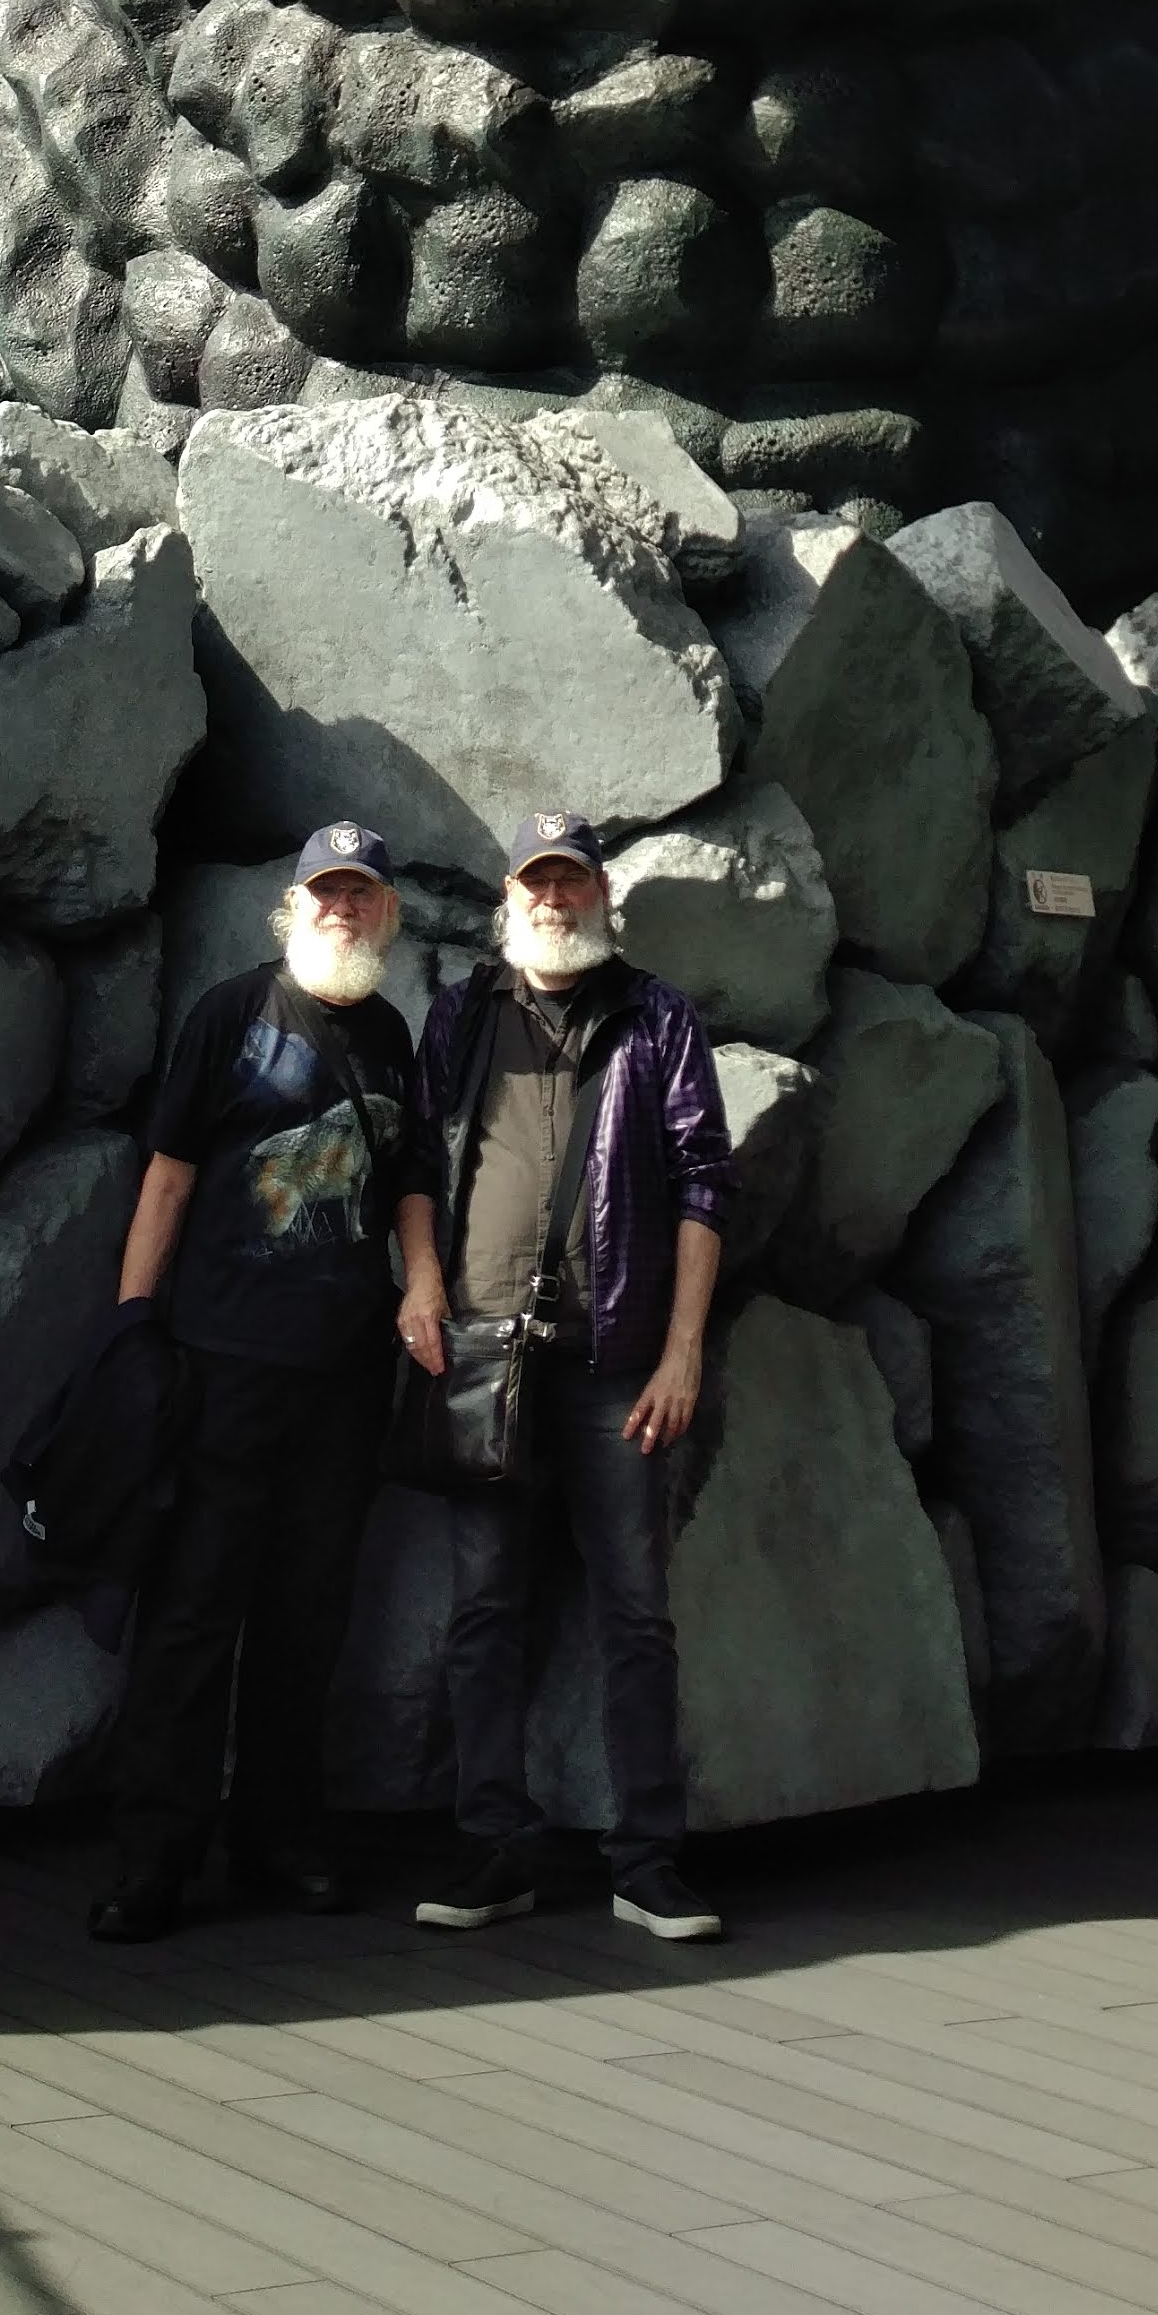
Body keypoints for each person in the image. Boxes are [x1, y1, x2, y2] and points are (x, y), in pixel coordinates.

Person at [394, 811, 731, 1943]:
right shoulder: (462, 1014)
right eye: (537, 882)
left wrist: (684, 1347)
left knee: (636, 1612)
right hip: (482, 1354)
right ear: (510, 896)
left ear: (600, 894)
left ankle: (649, 1858)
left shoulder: (659, 1014)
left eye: (571, 881)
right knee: (484, 1610)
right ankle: (494, 1845)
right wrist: (423, 1283)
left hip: (615, 1363)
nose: (554, 899)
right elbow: (418, 1160)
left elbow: (702, 1185)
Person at [86, 819, 416, 1941]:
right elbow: (168, 1177)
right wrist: (136, 1320)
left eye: (361, 894)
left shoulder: (392, 1035)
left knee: (307, 1614)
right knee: (192, 1613)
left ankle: (281, 1836)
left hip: (345, 1373)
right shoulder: (232, 1012)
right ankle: (154, 1857)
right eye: (325, 890)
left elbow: (412, 1180)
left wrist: (420, 1288)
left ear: (387, 914)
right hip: (225, 1364)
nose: (342, 907)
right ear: (292, 905)